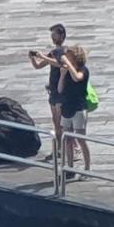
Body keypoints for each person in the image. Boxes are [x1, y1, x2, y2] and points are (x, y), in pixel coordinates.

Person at [29, 24, 71, 163]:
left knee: (60, 122)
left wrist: (43, 57)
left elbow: (60, 64)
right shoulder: (53, 53)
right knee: (55, 121)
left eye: (55, 35)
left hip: (61, 91)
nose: (53, 38)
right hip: (53, 91)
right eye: (52, 36)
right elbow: (38, 66)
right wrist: (33, 58)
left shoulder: (65, 52)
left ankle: (64, 149)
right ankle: (58, 148)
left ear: (62, 36)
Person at [58, 45, 91, 179]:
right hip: (67, 107)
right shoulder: (67, 71)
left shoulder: (83, 70)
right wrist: (62, 75)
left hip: (79, 107)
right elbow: (60, 89)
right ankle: (69, 167)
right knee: (68, 139)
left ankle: (87, 168)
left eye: (69, 56)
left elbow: (77, 77)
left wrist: (68, 65)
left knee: (81, 139)